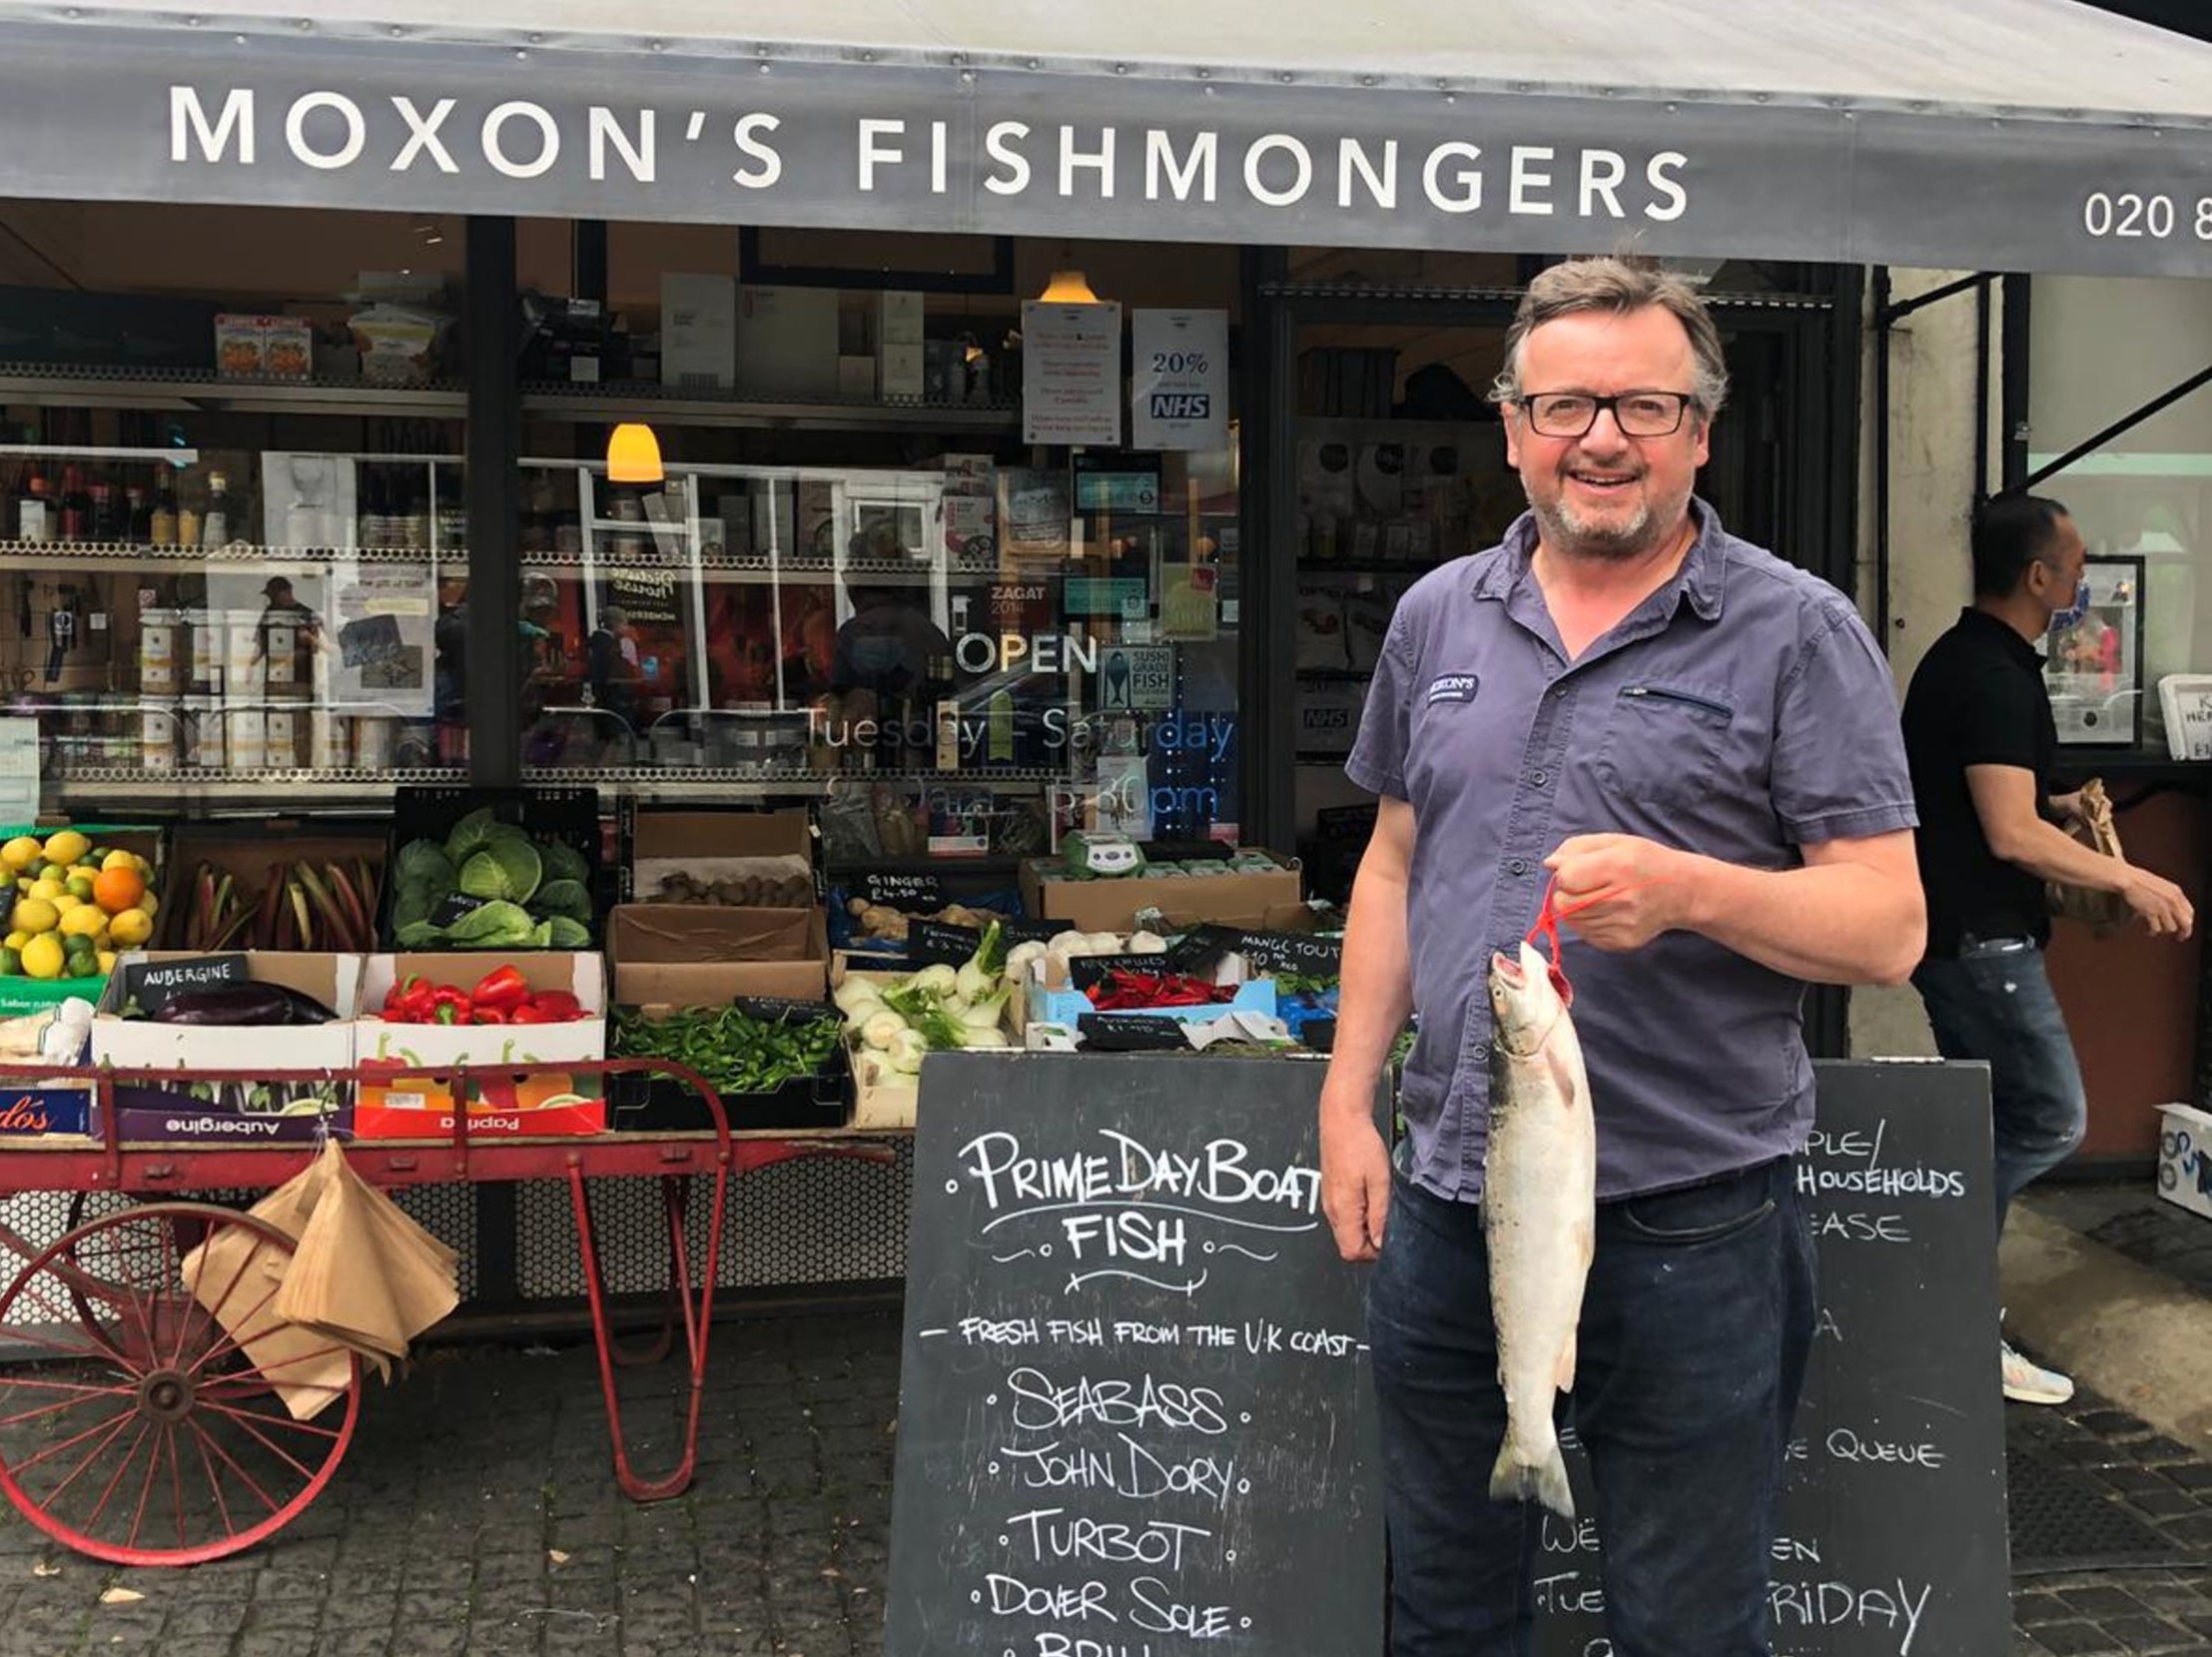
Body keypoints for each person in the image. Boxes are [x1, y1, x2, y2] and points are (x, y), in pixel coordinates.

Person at [1320, 256, 1925, 1657]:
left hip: (1690, 1217)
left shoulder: (1796, 631)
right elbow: (1394, 864)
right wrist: (1347, 1099)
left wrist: (1691, 891)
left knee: (1685, 1619)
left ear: (1699, 429)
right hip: (1444, 1194)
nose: (1602, 436)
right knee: (1442, 1603)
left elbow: (1888, 925)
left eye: (1643, 403)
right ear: (1513, 425)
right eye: (1566, 403)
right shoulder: (1435, 619)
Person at [1900, 492, 2193, 1406]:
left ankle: (1941, 1288)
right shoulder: (1986, 674)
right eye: (2073, 565)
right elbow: (2007, 833)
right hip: (1978, 939)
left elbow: (2006, 803)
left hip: (1969, 932)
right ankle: (1945, 1295)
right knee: (2045, 1118)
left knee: (1994, 1120)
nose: (2080, 578)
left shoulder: (1978, 662)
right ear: (2037, 576)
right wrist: (2132, 880)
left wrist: (2060, 805)